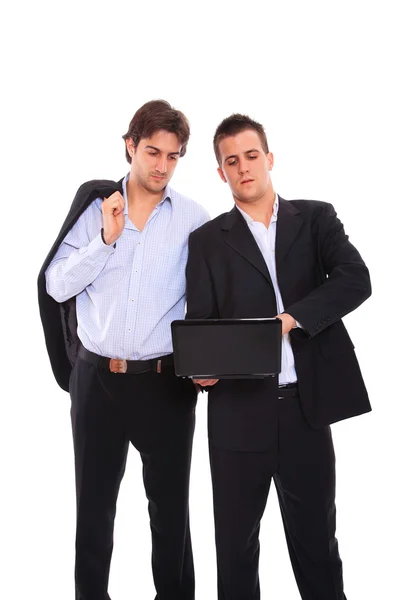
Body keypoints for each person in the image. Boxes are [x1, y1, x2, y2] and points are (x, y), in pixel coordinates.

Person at [185, 113, 371, 600]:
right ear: (220, 173)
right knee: (236, 550)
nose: (243, 167)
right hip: (236, 415)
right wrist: (202, 371)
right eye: (231, 161)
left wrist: (289, 319)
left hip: (305, 412)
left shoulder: (315, 218)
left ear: (269, 159)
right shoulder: (206, 241)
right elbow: (202, 322)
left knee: (316, 545)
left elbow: (356, 279)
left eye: (251, 156)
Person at [38, 99, 209, 600]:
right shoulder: (94, 210)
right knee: (93, 511)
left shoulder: (194, 220)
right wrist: (105, 240)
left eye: (173, 156)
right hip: (97, 383)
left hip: (165, 383)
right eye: (152, 152)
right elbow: (55, 285)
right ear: (130, 146)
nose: (161, 166)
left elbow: (208, 299)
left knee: (172, 514)